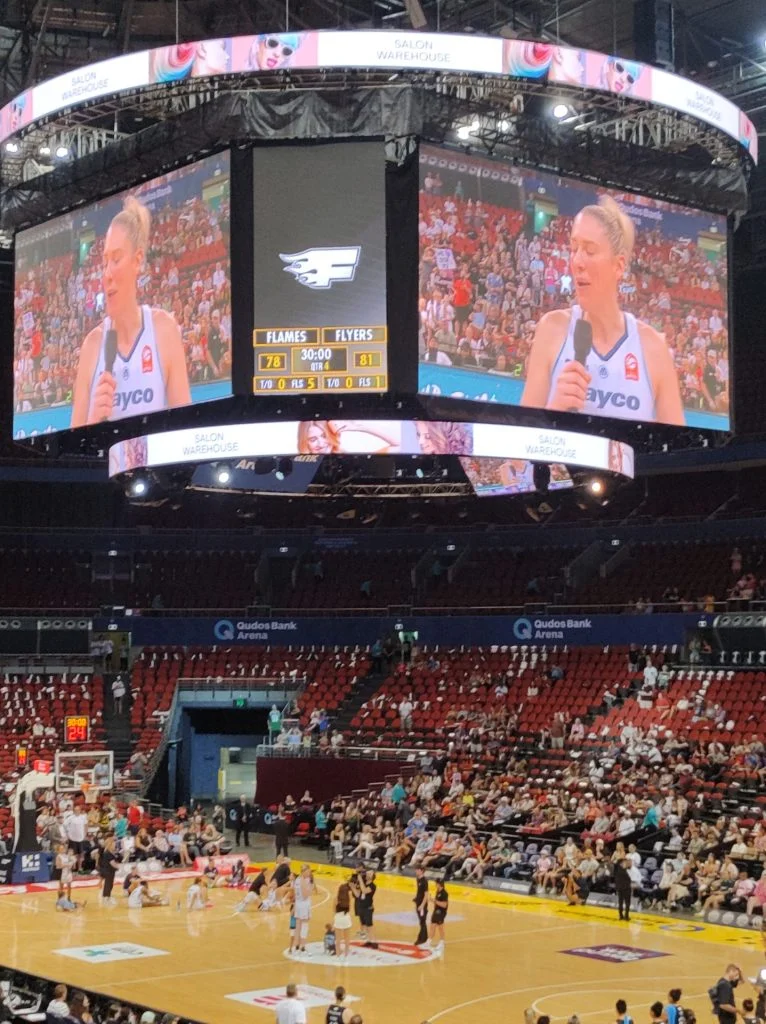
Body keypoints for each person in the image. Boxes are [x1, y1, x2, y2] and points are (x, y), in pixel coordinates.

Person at [521, 196, 684, 425]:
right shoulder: (552, 329)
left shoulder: (653, 348)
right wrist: (553, 410)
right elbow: (518, 453)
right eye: (574, 248)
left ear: (618, 266)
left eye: (589, 250)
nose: (577, 261)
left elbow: (680, 451)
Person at [70, 196, 191, 427]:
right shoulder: (92, 345)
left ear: (137, 261)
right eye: (105, 262)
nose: (107, 273)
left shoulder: (163, 330)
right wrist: (93, 421)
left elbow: (185, 430)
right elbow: (72, 446)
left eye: (116, 259)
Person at [293, 864, 315, 954]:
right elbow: (306, 895)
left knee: (298, 926)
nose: (309, 873)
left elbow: (295, 894)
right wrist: (310, 888)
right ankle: (302, 946)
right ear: (304, 871)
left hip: (298, 904)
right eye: (308, 871)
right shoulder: (303, 880)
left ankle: (296, 945)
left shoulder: (297, 879)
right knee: (304, 926)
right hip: (304, 905)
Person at [358, 870, 378, 949]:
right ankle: (369, 940)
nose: (368, 873)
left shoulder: (373, 886)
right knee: (365, 925)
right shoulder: (364, 883)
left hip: (368, 908)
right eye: (368, 872)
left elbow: (364, 891)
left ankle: (374, 942)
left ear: (372, 877)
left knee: (369, 926)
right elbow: (359, 893)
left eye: (370, 873)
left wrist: (360, 879)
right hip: (362, 907)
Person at [334, 881, 353, 959]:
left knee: (338, 938)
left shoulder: (336, 898)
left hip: (338, 917)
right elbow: (350, 909)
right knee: (347, 938)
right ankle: (346, 954)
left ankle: (338, 954)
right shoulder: (349, 898)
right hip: (346, 917)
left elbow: (334, 910)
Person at [429, 876, 448, 951]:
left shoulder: (444, 893)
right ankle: (429, 941)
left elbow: (444, 905)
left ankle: (442, 942)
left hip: (441, 912)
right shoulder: (438, 891)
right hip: (436, 911)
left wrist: (434, 901)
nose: (435, 884)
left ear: (439, 884)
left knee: (440, 928)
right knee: (432, 926)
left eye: (436, 883)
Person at [614, 857, 633, 921]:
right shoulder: (624, 871)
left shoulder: (617, 869)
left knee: (620, 902)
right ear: (621, 863)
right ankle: (626, 916)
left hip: (620, 887)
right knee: (627, 902)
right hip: (626, 888)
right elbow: (629, 879)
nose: (626, 863)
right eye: (624, 862)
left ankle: (621, 915)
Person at [414, 866, 429, 945]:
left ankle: (421, 938)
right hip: (418, 903)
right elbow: (419, 891)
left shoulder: (424, 881)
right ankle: (424, 937)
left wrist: (422, 905)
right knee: (421, 921)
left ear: (422, 871)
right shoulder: (418, 879)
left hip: (422, 905)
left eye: (417, 869)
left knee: (422, 921)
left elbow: (426, 895)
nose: (416, 871)